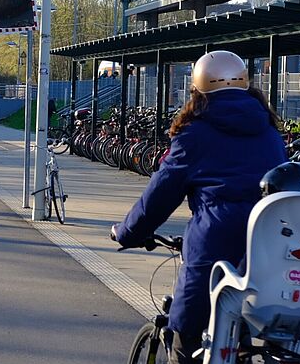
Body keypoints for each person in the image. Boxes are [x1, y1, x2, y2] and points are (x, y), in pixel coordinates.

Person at [111, 50, 287, 364]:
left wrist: (128, 232)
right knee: (240, 330)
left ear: (197, 90)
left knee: (185, 334)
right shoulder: (270, 132)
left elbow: (161, 194)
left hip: (213, 249)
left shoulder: (195, 133)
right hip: (265, 252)